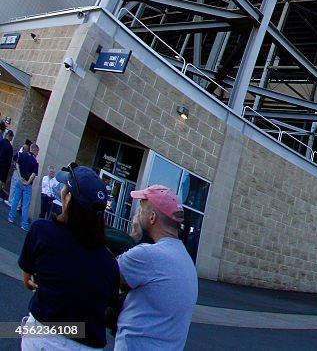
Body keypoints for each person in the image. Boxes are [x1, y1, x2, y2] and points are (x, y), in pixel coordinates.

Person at [18, 166, 120, 349]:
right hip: (88, 343)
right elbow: (108, 304)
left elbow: (28, 279)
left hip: (42, 336)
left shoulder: (42, 231)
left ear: (68, 198)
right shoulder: (110, 263)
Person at [115, 184, 198, 351]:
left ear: (152, 217)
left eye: (142, 208)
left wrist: (132, 238)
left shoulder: (147, 256)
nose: (138, 213)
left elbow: (103, 273)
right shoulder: (186, 261)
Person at [8, 142, 39, 230]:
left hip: (20, 180)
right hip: (27, 184)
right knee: (25, 205)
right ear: (36, 151)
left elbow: (17, 164)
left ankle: (11, 217)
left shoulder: (23, 155)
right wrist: (28, 181)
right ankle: (24, 224)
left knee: (15, 199)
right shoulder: (35, 161)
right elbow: (33, 174)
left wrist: (20, 175)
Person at [0, 129, 14, 202]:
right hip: (4, 167)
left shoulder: (1, 142)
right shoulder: (9, 147)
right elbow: (9, 160)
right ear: (10, 137)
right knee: (1, 181)